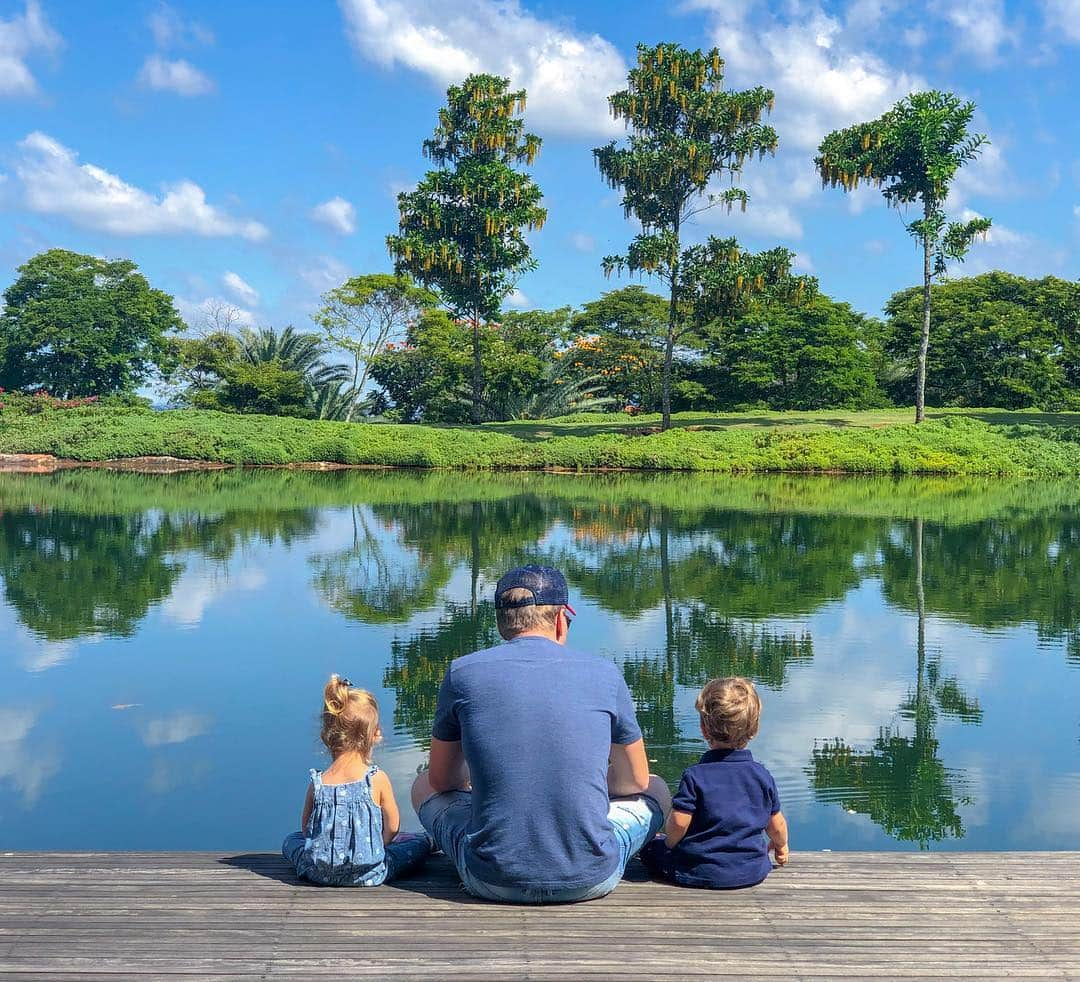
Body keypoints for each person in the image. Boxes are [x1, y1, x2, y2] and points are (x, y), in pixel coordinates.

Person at [411, 565, 671, 903]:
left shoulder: (462, 673)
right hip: (591, 877)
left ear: (501, 623)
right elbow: (635, 781)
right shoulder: (605, 674)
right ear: (561, 619)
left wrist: (493, 780)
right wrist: (581, 780)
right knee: (659, 788)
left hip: (490, 879)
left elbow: (442, 780)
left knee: (421, 784)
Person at [640, 676, 788, 889]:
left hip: (697, 869)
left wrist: (669, 844)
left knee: (650, 848)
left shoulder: (695, 776)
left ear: (703, 729)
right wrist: (781, 846)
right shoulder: (761, 775)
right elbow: (777, 825)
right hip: (751, 870)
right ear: (754, 729)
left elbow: (680, 823)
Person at [282, 675, 430, 886]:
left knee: (292, 840)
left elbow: (306, 829)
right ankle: (426, 842)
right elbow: (393, 826)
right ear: (375, 735)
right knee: (417, 843)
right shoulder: (376, 779)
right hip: (370, 872)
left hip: (318, 873)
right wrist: (381, 844)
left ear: (326, 736)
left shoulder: (318, 783)